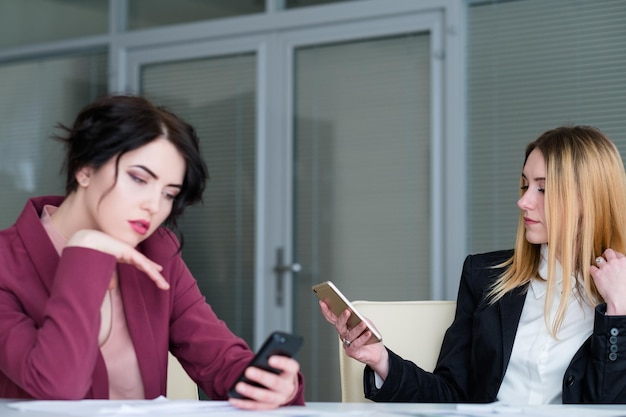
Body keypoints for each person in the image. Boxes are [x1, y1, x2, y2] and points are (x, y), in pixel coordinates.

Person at [0, 94, 304, 409]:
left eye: (169, 193)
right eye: (139, 178)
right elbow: (55, 388)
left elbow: (217, 358)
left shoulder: (157, 250)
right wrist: (86, 253)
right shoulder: (5, 262)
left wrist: (269, 383)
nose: (154, 206)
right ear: (85, 169)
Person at [319, 125, 626, 404]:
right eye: (525, 185)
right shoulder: (485, 276)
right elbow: (451, 393)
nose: (524, 202)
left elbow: (610, 405)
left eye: (542, 188)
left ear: (588, 198)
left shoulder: (619, 293)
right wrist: (381, 359)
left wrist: (618, 315)